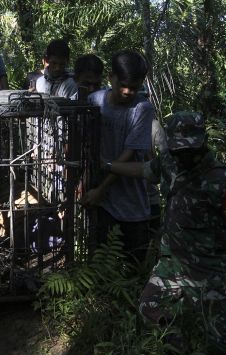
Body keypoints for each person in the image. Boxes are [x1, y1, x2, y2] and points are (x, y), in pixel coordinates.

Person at [105, 112, 226, 355]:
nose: (184, 156)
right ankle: (180, 351)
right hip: (173, 265)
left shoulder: (222, 180)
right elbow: (143, 170)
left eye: (190, 150)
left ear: (202, 143)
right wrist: (108, 166)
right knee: (148, 307)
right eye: (178, 150)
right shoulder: (168, 162)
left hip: (213, 270)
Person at [81, 50, 166, 264]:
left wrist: (101, 186)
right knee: (99, 263)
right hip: (100, 202)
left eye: (134, 87)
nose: (128, 92)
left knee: (133, 268)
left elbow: (128, 155)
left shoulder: (142, 109)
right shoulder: (94, 101)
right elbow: (82, 142)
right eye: (123, 85)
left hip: (131, 204)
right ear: (111, 77)